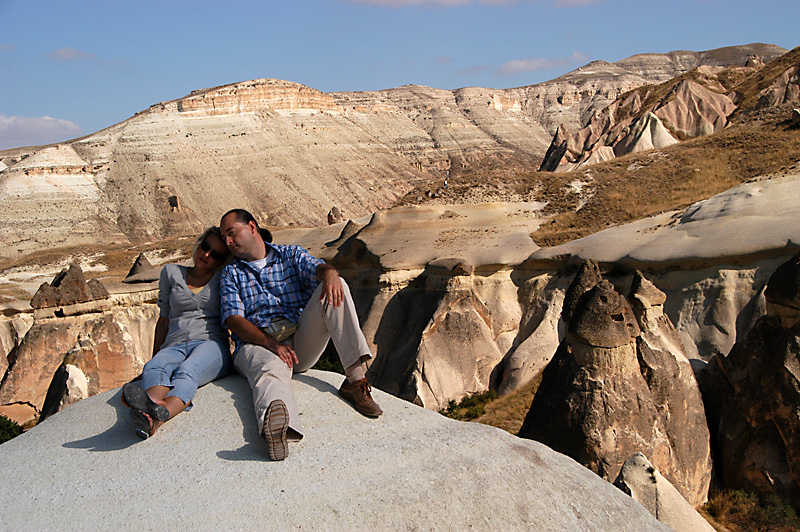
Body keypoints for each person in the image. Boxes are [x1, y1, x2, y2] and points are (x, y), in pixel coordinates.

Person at [219, 208, 382, 461]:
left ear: (252, 227)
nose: (228, 242)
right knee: (269, 369)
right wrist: (270, 343)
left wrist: (330, 272)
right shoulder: (231, 273)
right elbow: (234, 320)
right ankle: (279, 430)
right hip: (258, 344)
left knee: (336, 286)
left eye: (231, 233)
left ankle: (355, 381)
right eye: (224, 238)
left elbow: (317, 268)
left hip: (298, 343)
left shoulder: (289, 254)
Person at [122, 227, 232, 439]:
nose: (206, 254)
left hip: (211, 345)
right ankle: (149, 408)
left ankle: (158, 417)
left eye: (216, 254)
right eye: (205, 246)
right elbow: (163, 319)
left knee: (188, 370)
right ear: (199, 243)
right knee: (155, 366)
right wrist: (155, 356)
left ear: (222, 260)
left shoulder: (224, 278)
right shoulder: (171, 273)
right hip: (175, 344)